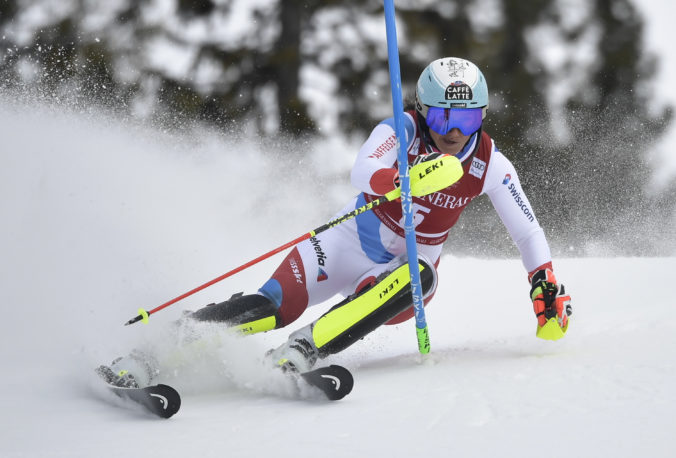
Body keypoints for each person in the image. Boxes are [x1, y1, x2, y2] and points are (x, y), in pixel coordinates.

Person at [99, 57, 572, 389]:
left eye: (467, 118)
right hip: (347, 238)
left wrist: (543, 284)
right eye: (445, 115)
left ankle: (304, 349)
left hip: (405, 265)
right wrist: (400, 180)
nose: (454, 131)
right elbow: (361, 170)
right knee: (273, 305)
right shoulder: (401, 130)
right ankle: (157, 350)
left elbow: (526, 230)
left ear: (482, 117)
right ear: (424, 111)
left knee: (421, 278)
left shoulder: (491, 163)